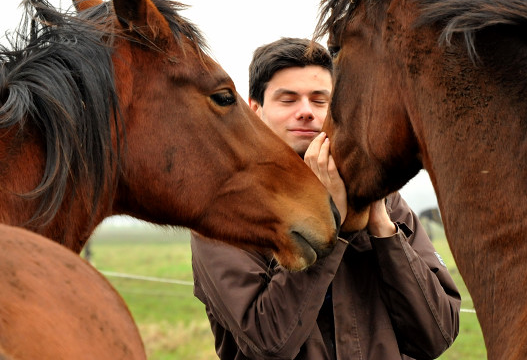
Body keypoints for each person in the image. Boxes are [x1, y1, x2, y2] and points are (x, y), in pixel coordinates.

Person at [190, 37, 461, 359]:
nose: (305, 112)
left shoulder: (387, 203)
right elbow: (269, 343)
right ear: (255, 110)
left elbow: (437, 335)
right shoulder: (224, 213)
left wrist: (382, 229)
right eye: (287, 100)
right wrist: (333, 227)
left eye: (320, 101)